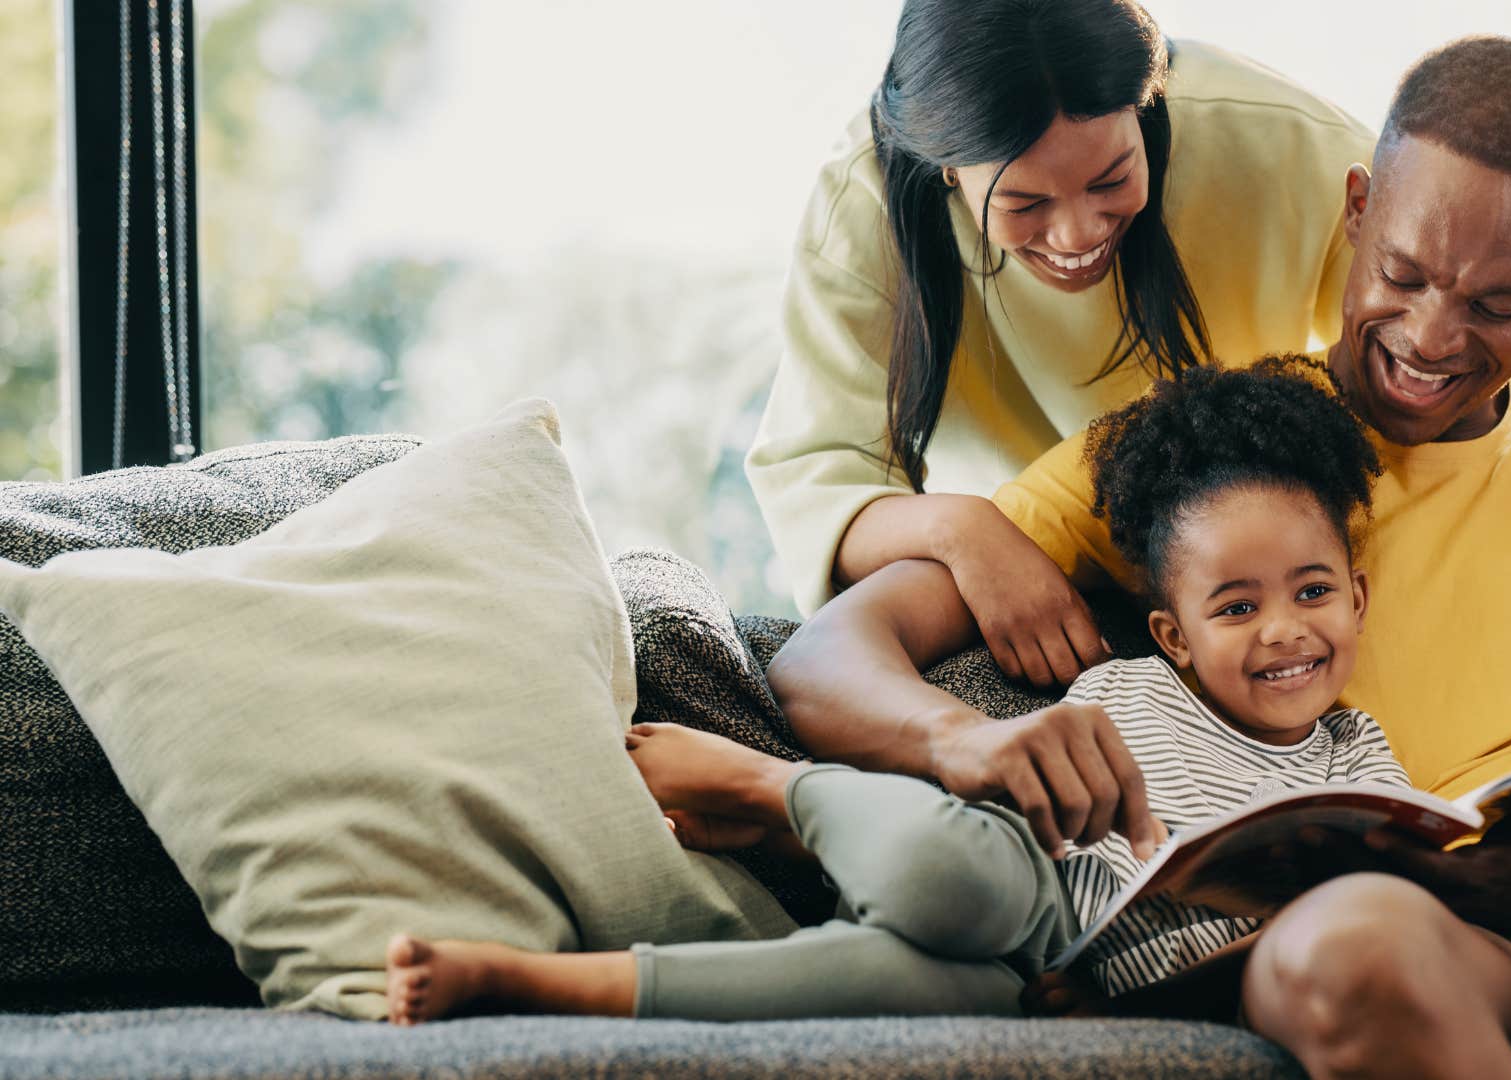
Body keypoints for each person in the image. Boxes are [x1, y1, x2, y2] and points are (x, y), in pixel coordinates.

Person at [767, 35, 1511, 1077]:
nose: (1430, 338)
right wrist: (961, 739)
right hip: (1403, 923)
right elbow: (827, 656)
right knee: (1345, 949)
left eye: (1493, 305)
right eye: (1406, 278)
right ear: (1358, 212)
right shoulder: (1209, 454)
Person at [746, 0, 1511, 693]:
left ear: (1149, 102)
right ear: (947, 177)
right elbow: (818, 473)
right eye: (1024, 203)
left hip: (1244, 572)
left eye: (1109, 179)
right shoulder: (866, 204)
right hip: (1034, 560)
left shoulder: (1282, 143)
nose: (1077, 232)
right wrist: (965, 534)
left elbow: (1438, 337)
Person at [382, 357, 1412, 1023]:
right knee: (963, 884)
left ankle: (529, 983)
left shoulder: (1358, 756)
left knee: (909, 992)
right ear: (1172, 637)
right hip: (1024, 893)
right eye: (1235, 608)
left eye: (1312, 592)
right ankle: (772, 791)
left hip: (1050, 985)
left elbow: (1395, 912)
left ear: (1357, 600)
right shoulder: (1126, 696)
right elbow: (997, 824)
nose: (1283, 629)